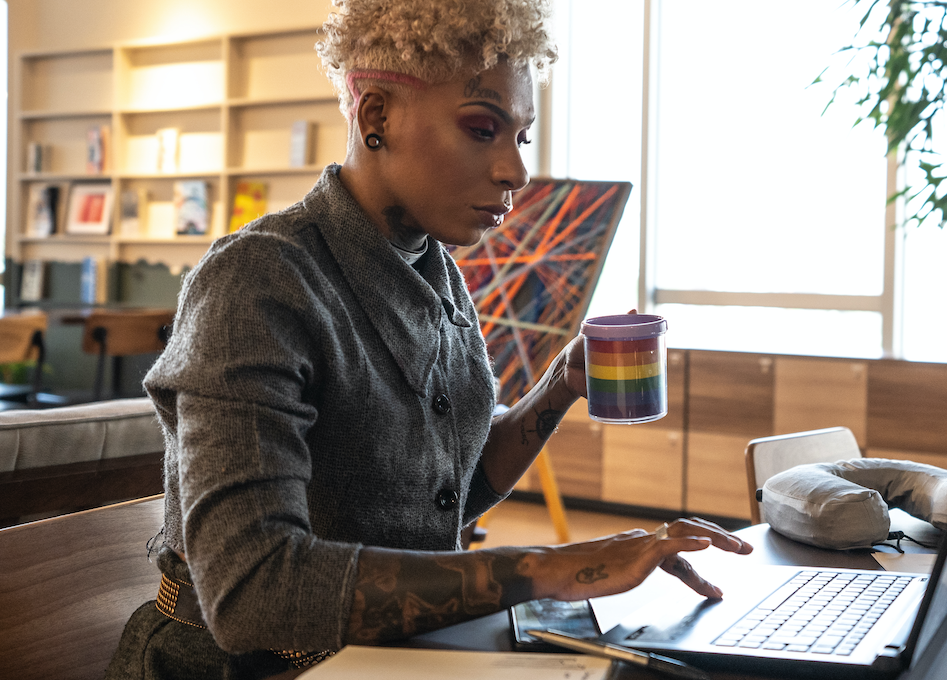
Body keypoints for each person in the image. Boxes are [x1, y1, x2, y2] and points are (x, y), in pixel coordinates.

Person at [104, 1, 751, 678]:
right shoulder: (259, 280)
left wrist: (558, 388)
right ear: (375, 115)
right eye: (482, 129)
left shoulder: (434, 271)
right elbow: (254, 592)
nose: (515, 171)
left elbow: (438, 499)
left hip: (383, 657)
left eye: (520, 138)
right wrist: (547, 568)